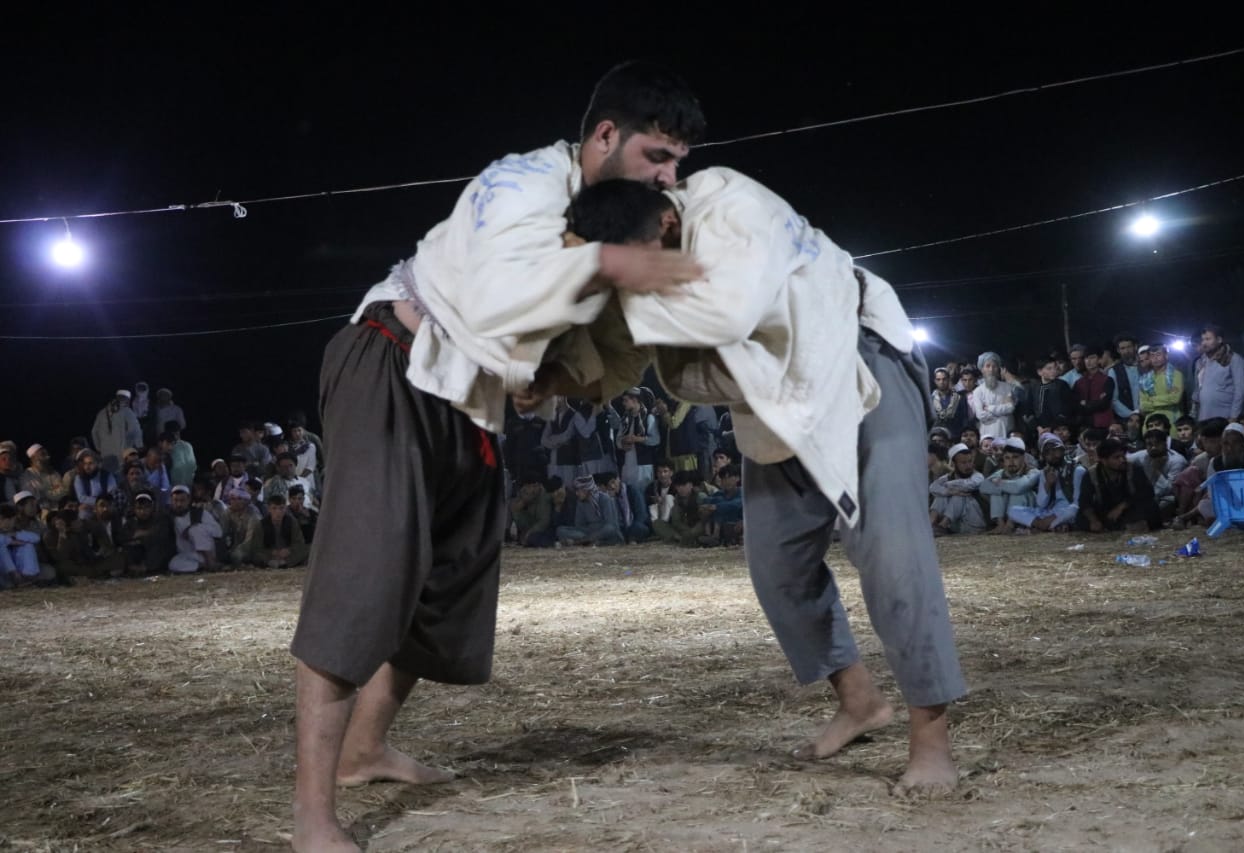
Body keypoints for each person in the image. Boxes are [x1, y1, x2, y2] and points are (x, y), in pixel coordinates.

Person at [288, 61, 707, 852]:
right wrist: (612, 264)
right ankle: (313, 817)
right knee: (363, 579)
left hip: (469, 400)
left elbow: (601, 348)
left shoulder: (616, 216)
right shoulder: (519, 183)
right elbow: (499, 294)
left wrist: (562, 371)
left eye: (679, 163)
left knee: (447, 581)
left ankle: (365, 749)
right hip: (395, 359)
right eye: (658, 155)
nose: (670, 176)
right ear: (605, 135)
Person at [545, 172, 966, 795]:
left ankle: (931, 743)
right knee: (776, 565)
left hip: (854, 357)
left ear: (663, 224)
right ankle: (859, 700)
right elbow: (615, 358)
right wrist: (550, 373)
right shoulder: (636, 261)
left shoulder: (731, 204)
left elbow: (727, 312)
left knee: (893, 557)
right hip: (767, 394)